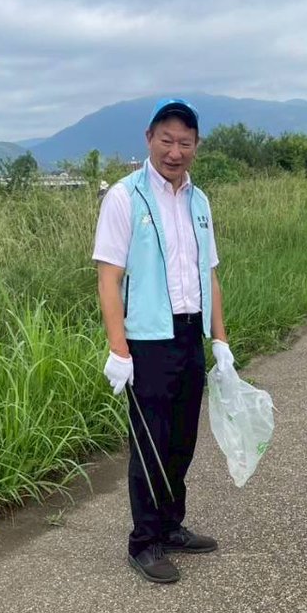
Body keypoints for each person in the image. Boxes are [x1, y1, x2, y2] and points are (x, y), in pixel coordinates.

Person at [93, 97, 234, 584]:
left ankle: (172, 526)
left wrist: (220, 341)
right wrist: (119, 349)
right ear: (149, 139)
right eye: (167, 140)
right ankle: (144, 541)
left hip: (189, 332)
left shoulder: (199, 201)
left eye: (185, 143)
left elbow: (208, 273)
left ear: (196, 145)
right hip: (147, 339)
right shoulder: (124, 197)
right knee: (150, 443)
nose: (175, 152)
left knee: (182, 439)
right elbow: (109, 278)